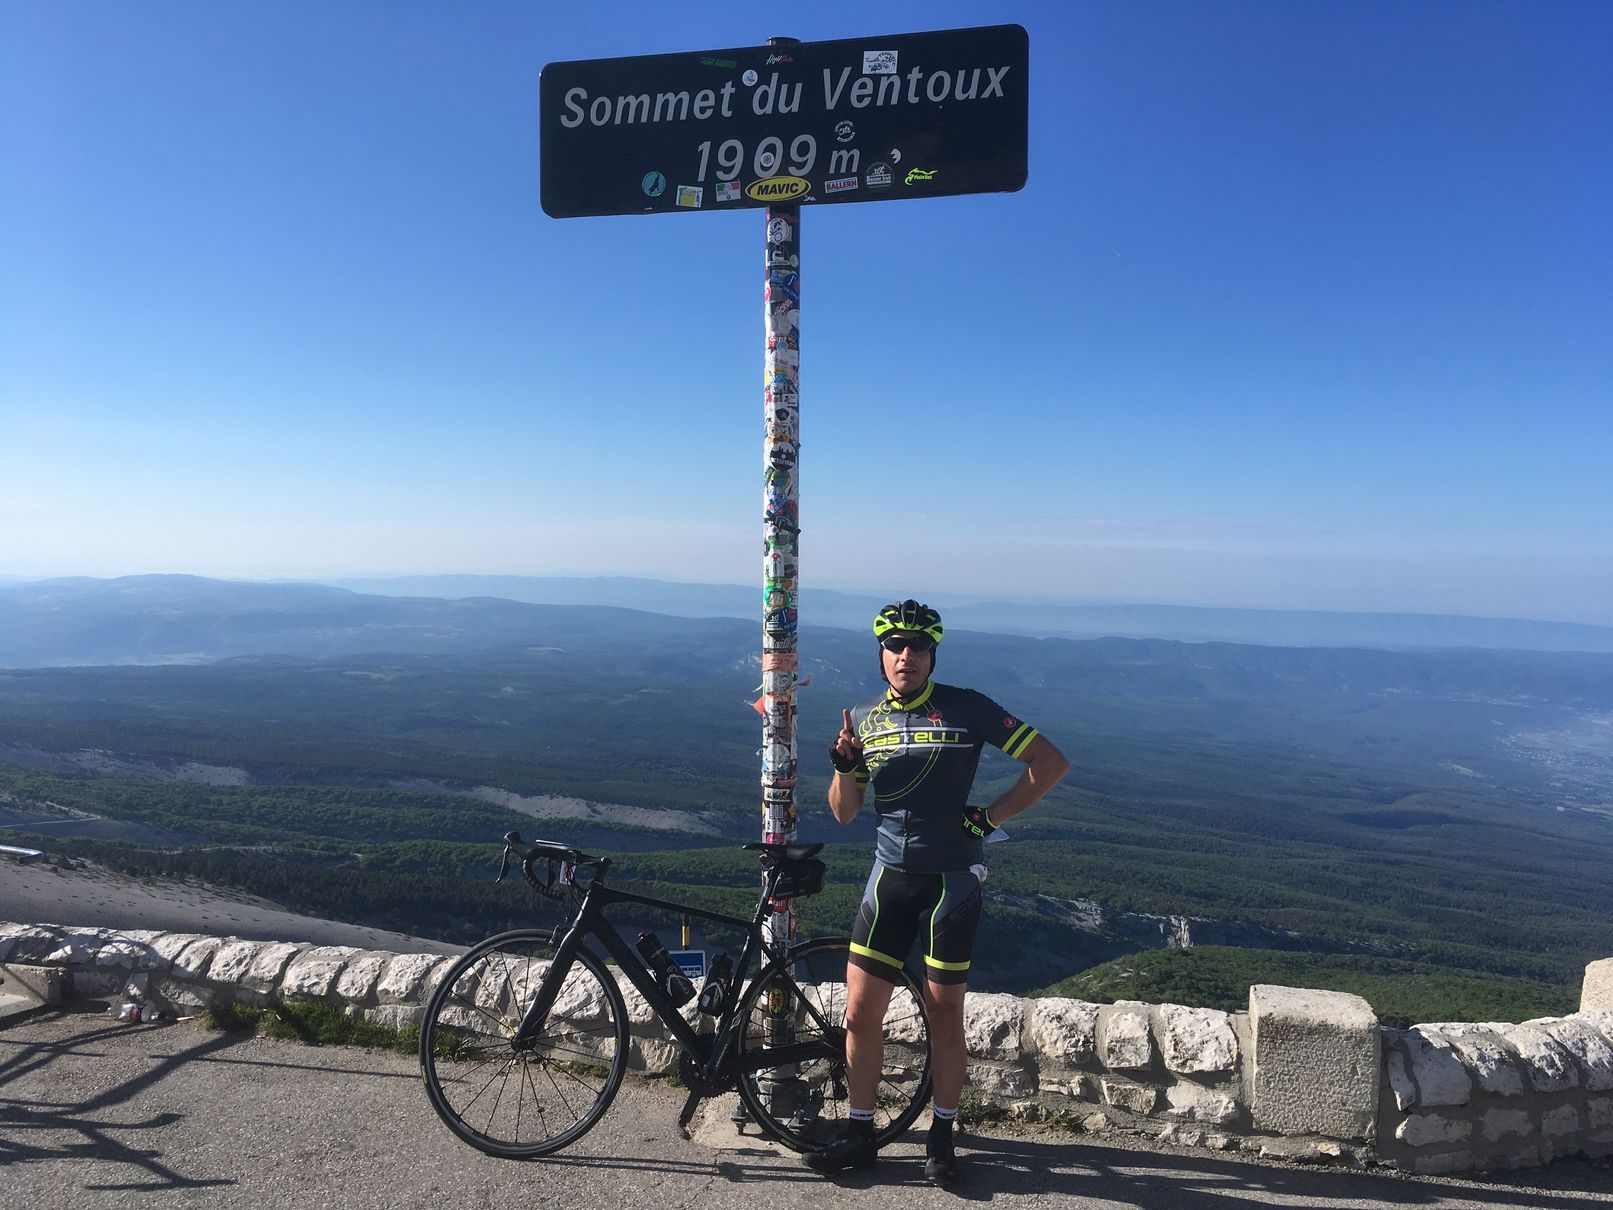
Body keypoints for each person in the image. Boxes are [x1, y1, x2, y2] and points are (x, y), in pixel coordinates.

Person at [805, 599, 1070, 1184]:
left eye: (918, 648)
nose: (906, 656)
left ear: (932, 656)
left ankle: (943, 1137)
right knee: (858, 1013)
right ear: (881, 657)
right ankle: (859, 1132)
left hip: (951, 881)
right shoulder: (867, 720)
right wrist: (843, 765)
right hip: (889, 878)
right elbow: (845, 814)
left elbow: (1048, 762)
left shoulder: (967, 707)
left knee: (945, 1014)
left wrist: (989, 820)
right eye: (896, 647)